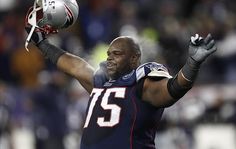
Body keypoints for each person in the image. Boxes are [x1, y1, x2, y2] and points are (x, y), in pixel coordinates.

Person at [25, 28, 216, 149]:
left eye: (117, 54)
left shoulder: (143, 83)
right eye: (109, 54)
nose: (109, 58)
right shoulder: (100, 82)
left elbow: (174, 89)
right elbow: (74, 65)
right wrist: (42, 43)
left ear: (134, 58)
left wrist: (192, 64)